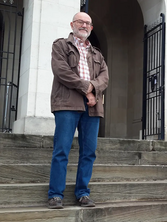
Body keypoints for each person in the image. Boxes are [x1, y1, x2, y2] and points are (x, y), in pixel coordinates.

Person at [47, 12, 109, 209]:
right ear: (72, 24)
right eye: (80, 21)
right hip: (67, 104)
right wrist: (87, 88)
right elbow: (61, 71)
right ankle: (56, 195)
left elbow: (105, 77)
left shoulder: (97, 54)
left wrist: (92, 89)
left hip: (92, 107)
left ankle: (82, 193)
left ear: (91, 28)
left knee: (89, 152)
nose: (84, 25)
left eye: (88, 23)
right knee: (61, 150)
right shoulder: (60, 46)